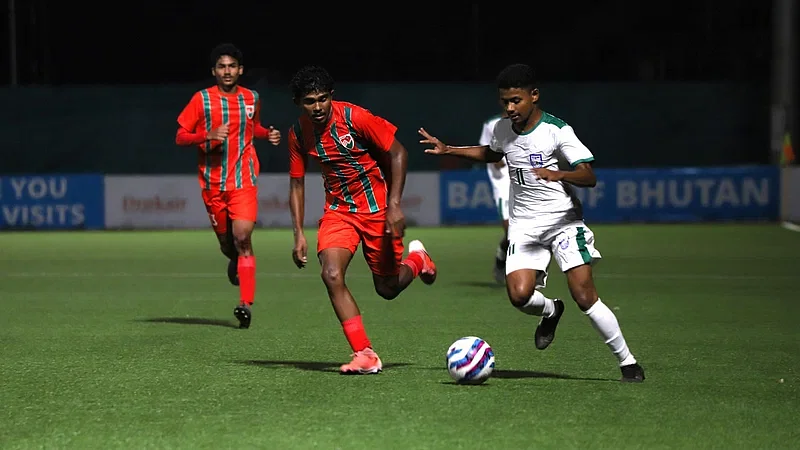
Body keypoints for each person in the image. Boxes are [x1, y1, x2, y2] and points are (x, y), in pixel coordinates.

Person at [419, 63, 645, 382]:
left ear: (533, 96)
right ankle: (551, 310)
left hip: (563, 223)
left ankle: (628, 362)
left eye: (516, 100)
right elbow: (492, 153)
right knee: (519, 296)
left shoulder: (557, 131)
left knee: (583, 294)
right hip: (524, 225)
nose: (509, 108)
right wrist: (450, 149)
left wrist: (560, 174)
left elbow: (589, 175)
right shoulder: (502, 129)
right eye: (505, 102)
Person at [287, 65, 437, 375]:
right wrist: (298, 233)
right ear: (299, 103)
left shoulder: (355, 118)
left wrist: (394, 205)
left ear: (332, 97)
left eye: (322, 99)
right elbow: (297, 184)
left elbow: (398, 153)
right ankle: (365, 353)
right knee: (330, 274)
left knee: (387, 288)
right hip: (339, 213)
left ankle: (418, 259)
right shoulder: (299, 133)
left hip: (377, 211)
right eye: (309, 101)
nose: (317, 107)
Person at [175, 43, 281, 329]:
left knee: (243, 237)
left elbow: (252, 127)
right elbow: (181, 136)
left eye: (232, 66)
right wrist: (206, 135)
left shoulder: (251, 98)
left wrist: (266, 133)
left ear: (240, 70)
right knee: (228, 244)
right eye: (221, 66)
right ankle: (236, 260)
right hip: (212, 184)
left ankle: (245, 303)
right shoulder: (202, 100)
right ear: (214, 71)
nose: (227, 71)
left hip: (244, 180)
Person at [479, 113, 511, 284]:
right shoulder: (491, 125)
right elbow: (485, 151)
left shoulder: (526, 124)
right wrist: (495, 158)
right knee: (511, 233)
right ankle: (501, 258)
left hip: (525, 184)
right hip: (503, 185)